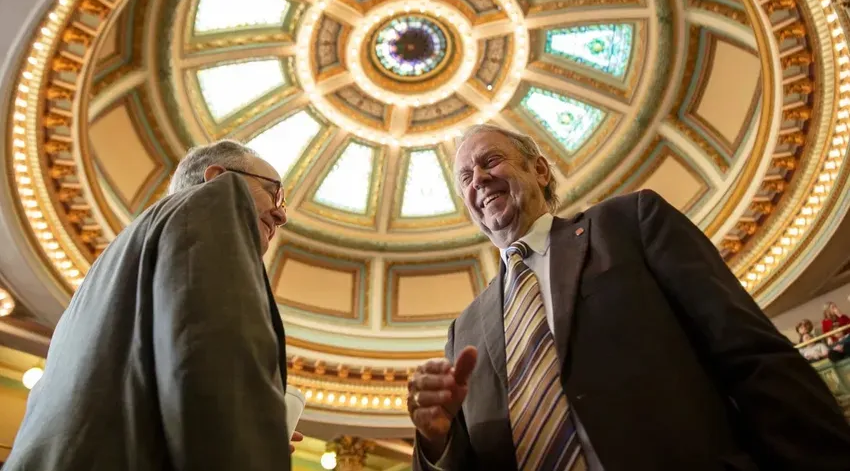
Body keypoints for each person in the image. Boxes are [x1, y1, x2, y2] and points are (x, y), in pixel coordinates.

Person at [408, 124, 850, 471]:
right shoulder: (463, 330)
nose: (479, 179)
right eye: (465, 178)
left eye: (491, 161)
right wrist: (435, 440)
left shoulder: (629, 223)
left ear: (539, 170)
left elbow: (751, 356)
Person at [5, 140, 299, 471]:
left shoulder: (103, 277)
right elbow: (213, 355)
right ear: (218, 177)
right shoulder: (214, 202)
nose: (281, 215)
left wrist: (259, 431)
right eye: (274, 193)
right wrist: (247, 443)